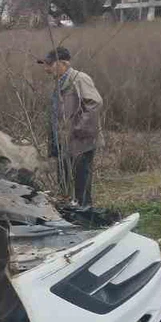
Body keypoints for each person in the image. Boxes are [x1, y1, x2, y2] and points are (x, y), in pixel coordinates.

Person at [39, 46, 103, 206]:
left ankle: (85, 217)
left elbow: (94, 104)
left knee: (81, 184)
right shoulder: (60, 82)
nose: (46, 69)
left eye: (49, 64)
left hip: (80, 143)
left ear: (63, 64)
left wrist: (76, 130)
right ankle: (71, 217)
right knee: (65, 184)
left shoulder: (79, 79)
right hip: (64, 143)